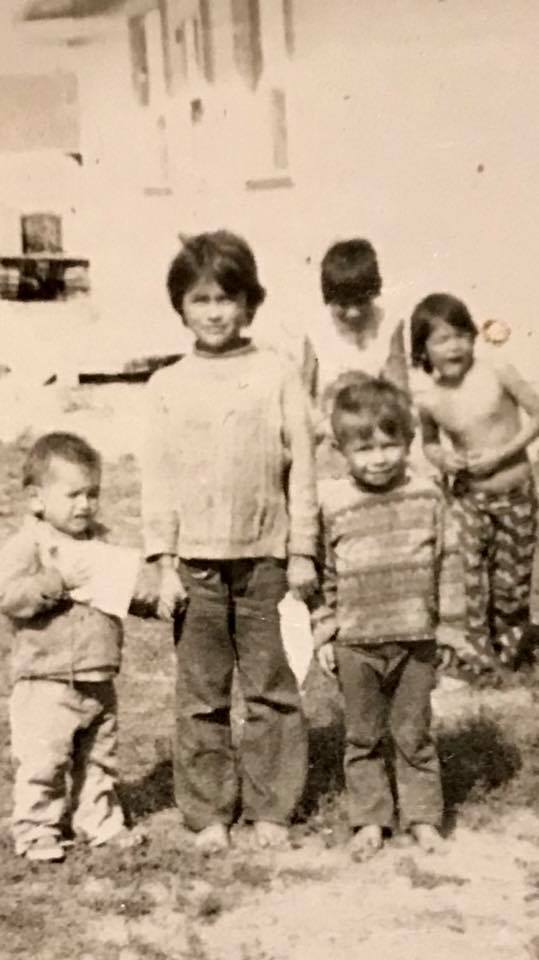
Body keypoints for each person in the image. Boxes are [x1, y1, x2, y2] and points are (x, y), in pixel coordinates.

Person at [142, 230, 318, 855]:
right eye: (200, 299)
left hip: (267, 557)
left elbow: (303, 468)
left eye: (227, 297)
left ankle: (273, 805)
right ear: (181, 308)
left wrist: (302, 550)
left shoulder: (277, 373)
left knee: (272, 686)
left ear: (248, 303)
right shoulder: (166, 385)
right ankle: (209, 809)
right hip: (196, 566)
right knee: (202, 694)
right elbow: (158, 480)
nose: (215, 311)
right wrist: (163, 564)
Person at [313, 376, 444, 861]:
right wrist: (325, 629)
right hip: (357, 642)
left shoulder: (428, 495)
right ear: (342, 449)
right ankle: (370, 819)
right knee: (363, 735)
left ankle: (424, 817)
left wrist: (447, 626)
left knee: (414, 733)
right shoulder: (334, 502)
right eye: (364, 448)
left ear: (408, 441)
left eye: (390, 444)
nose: (379, 458)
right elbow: (323, 573)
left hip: (415, 637)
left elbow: (448, 563)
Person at [0, 432, 143, 862]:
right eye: (73, 495)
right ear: (37, 499)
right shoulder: (29, 544)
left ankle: (98, 820)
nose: (85, 505)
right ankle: (37, 827)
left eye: (92, 494)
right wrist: (54, 583)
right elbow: (8, 595)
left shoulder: (101, 542)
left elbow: (121, 588)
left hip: (98, 674)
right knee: (44, 759)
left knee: (99, 758)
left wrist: (147, 596)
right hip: (46, 678)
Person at [411, 293, 539, 678]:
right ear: (424, 350)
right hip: (469, 497)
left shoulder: (496, 370)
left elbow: (537, 414)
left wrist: (503, 452)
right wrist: (443, 459)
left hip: (514, 489)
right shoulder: (430, 399)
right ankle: (480, 659)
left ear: (472, 336)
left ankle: (512, 649)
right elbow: (431, 443)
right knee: (471, 579)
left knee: (511, 583)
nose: (454, 346)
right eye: (441, 339)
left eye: (460, 335)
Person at [304, 238, 408, 436]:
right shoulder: (317, 330)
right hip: (331, 428)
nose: (353, 313)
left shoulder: (388, 325)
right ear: (329, 298)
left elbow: (400, 392)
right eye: (343, 304)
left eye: (361, 302)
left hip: (377, 425)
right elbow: (304, 396)